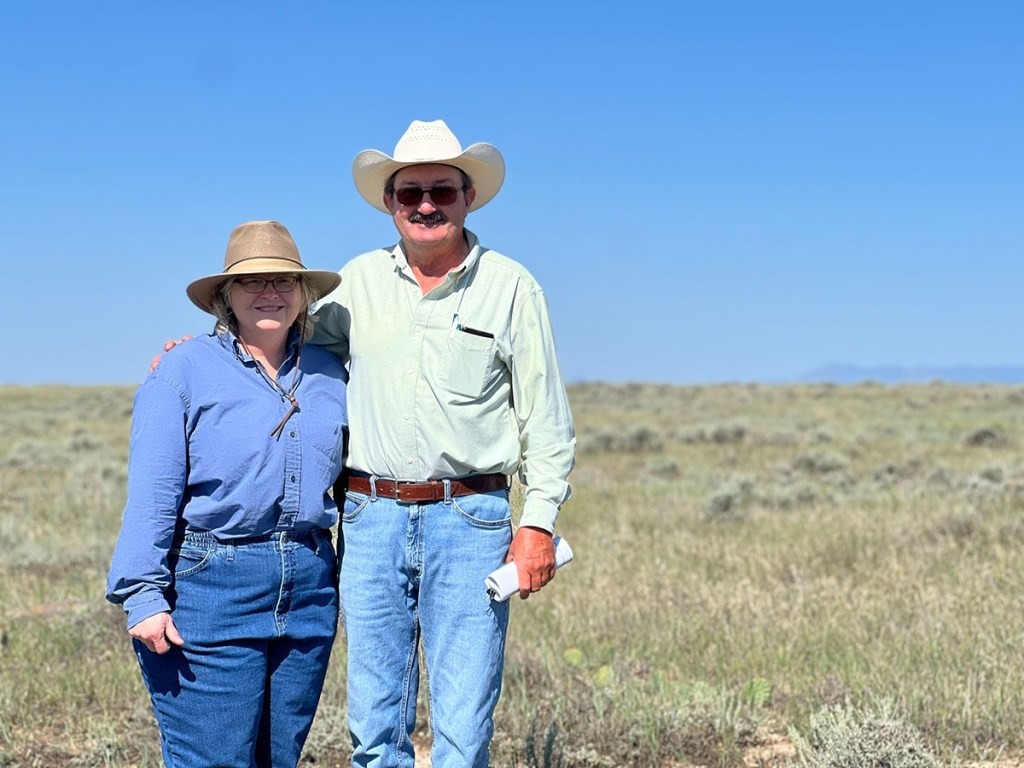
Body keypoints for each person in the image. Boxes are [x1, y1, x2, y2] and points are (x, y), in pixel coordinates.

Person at [312, 119, 576, 768]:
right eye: (410, 193)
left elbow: (545, 419)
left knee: (462, 730)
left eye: (442, 191)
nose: (426, 205)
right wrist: (202, 356)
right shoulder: (352, 285)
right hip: (368, 519)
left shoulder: (512, 287)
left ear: (468, 197)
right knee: (374, 730)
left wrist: (538, 524)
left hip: (471, 520)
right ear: (389, 202)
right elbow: (283, 356)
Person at [106, 220, 348, 768]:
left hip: (308, 587)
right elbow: (153, 492)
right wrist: (142, 595)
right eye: (251, 281)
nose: (269, 292)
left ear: (303, 293)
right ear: (225, 296)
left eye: (284, 280)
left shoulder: (331, 373)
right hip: (211, 585)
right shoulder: (183, 369)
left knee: (278, 758)